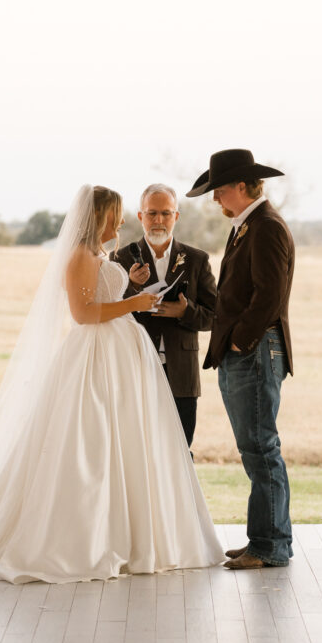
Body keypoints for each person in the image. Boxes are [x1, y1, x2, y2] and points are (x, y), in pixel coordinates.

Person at [0, 185, 224, 584]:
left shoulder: (98, 255)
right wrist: (134, 303)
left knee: (122, 445)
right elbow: (82, 313)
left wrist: (127, 283)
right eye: (117, 215)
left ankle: (127, 535)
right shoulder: (78, 255)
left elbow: (100, 294)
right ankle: (83, 539)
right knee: (91, 445)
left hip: (119, 356)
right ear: (99, 217)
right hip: (95, 359)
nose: (122, 222)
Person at [187, 149, 294, 570]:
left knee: (261, 448)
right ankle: (267, 540)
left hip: (254, 351)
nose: (215, 199)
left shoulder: (265, 227)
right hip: (250, 351)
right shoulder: (249, 225)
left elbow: (269, 295)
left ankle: (269, 546)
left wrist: (240, 342)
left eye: (220, 190)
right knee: (257, 448)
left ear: (244, 186)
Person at [113, 183, 216, 447]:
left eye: (166, 213)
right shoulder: (119, 260)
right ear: (140, 216)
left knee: (181, 450)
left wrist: (186, 311)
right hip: (134, 367)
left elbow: (216, 316)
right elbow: (108, 312)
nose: (158, 220)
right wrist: (132, 288)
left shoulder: (197, 259)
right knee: (136, 448)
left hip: (182, 373)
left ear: (176, 217)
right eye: (152, 213)